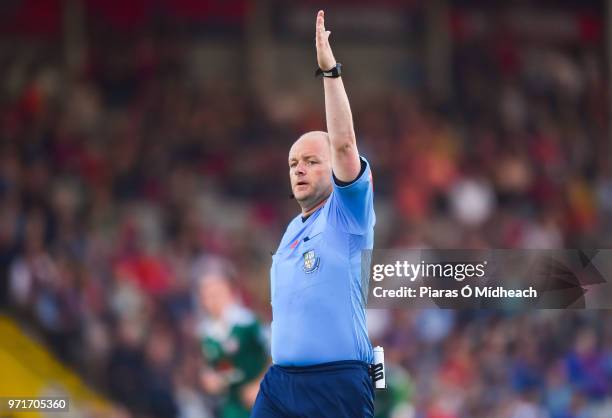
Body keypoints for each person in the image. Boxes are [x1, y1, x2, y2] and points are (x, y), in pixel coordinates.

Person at [251, 10, 376, 418]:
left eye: (310, 161)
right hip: (280, 384)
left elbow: (343, 145)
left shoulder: (347, 215)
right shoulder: (290, 230)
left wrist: (329, 72)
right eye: (293, 164)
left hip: (336, 383)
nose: (299, 169)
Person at [197, 267, 269, 418]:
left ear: (230, 292)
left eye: (216, 293)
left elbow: (275, 354)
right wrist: (211, 379)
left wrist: (260, 383)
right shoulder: (207, 334)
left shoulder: (248, 323)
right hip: (234, 405)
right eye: (207, 295)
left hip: (264, 400)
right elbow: (215, 367)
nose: (212, 300)